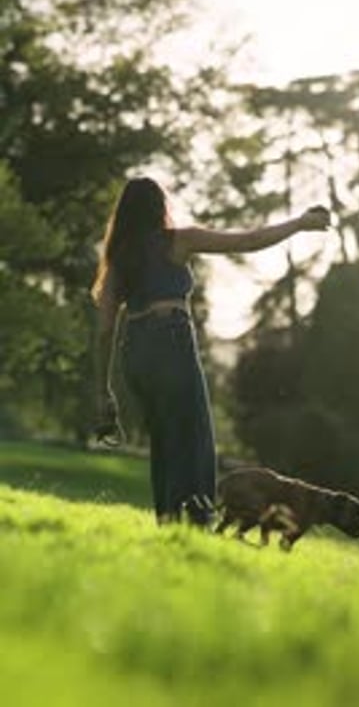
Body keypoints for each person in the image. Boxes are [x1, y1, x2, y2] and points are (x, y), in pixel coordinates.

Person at [91, 176, 330, 527]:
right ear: (160, 208)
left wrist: (103, 390)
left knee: (165, 439)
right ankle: (194, 521)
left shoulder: (117, 260)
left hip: (136, 352)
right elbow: (248, 241)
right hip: (170, 341)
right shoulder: (178, 240)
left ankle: (169, 520)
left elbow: (104, 331)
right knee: (193, 436)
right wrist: (299, 224)